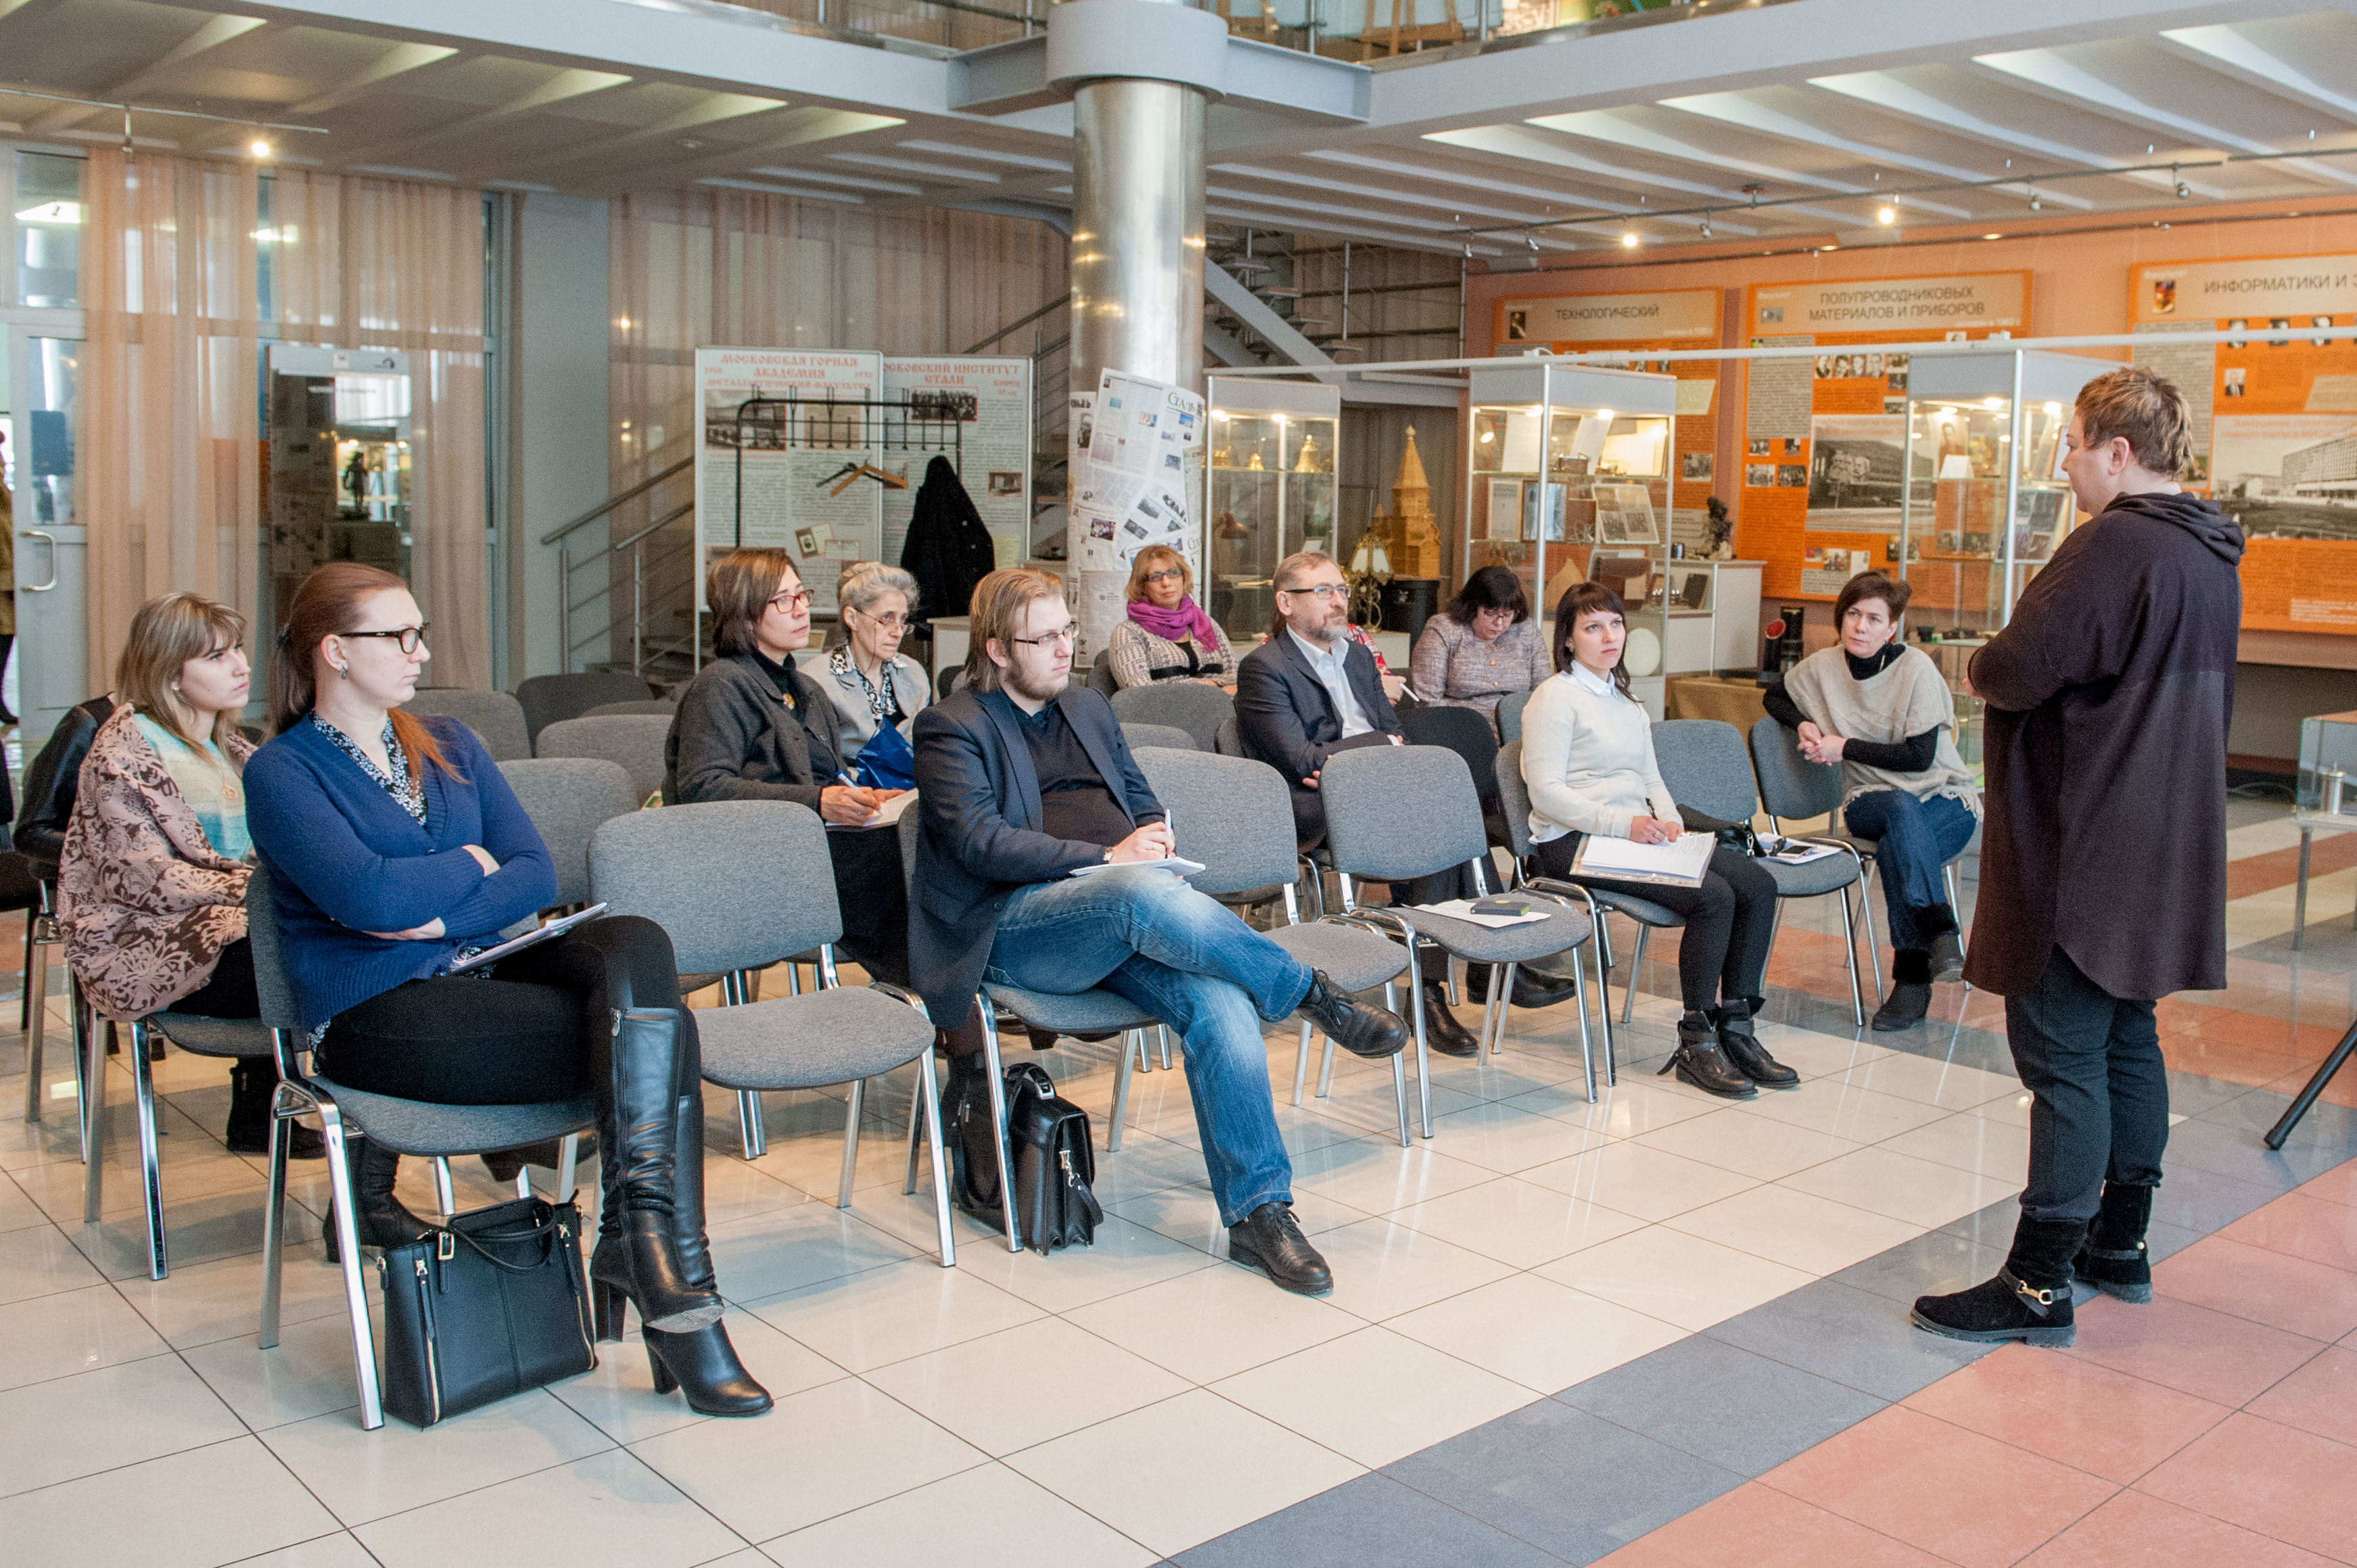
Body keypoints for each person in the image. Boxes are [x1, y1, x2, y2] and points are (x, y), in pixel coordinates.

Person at [246, 562, 769, 1417]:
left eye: (419, 633)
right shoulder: (283, 771)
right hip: (376, 1012)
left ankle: (644, 1248)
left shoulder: (449, 741)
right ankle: (671, 1280)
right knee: (658, 1032)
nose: (421, 652)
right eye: (399, 636)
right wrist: (467, 863)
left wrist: (430, 908)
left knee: (637, 944)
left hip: (488, 966)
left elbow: (531, 871)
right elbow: (368, 900)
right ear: (335, 651)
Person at [910, 568, 1407, 1296]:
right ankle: (1307, 992)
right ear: (996, 648)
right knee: (1137, 893)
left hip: (1117, 914)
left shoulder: (1086, 706)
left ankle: (1259, 1213)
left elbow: (1139, 797)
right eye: (1043, 639)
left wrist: (1152, 836)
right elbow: (977, 842)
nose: (1064, 648)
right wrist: (1108, 859)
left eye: (1066, 631)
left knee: (1221, 1001)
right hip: (1015, 928)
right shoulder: (953, 725)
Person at [1911, 366, 2242, 1349]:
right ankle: (2119, 1242)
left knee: (2060, 1057)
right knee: (2126, 1039)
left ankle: (2037, 1280)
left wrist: (1978, 662)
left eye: (2070, 443)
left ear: (2117, 452)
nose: (2062, 463)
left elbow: (2016, 666)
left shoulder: (2111, 544)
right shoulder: (2209, 551)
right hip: (2158, 839)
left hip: (2085, 840)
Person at [57, 594, 322, 1160]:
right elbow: (147, 879)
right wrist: (266, 892)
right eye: (216, 656)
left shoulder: (234, 749)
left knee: (345, 943)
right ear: (171, 673)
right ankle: (363, 1136)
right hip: (145, 941)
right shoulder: (122, 753)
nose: (241, 666)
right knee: (328, 957)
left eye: (238, 650)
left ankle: (285, 1112)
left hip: (238, 928)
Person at [1520, 581, 1796, 1099]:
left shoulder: (1625, 701)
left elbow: (1650, 778)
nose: (1609, 636)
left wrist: (1670, 823)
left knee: (1757, 884)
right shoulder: (1553, 698)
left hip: (1633, 834)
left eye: (1615, 624)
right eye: (1592, 627)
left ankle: (1736, 1027)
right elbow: (1546, 793)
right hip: (1573, 842)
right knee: (1712, 896)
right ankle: (1696, 1039)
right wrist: (1622, 824)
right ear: (1568, 639)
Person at [1234, 550, 1480, 1055]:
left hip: (1379, 789)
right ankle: (1457, 975)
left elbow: (1394, 734)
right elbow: (1303, 761)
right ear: (1286, 603)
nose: (1338, 601)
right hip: (1313, 805)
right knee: (1432, 822)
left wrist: (1368, 751)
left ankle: (1434, 984)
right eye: (1323, 591)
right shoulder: (1264, 667)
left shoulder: (1359, 657)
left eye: (1341, 590)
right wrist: (1378, 748)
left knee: (1445, 813)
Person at [666, 548, 910, 989]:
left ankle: (944, 993)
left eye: (802, 595)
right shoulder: (720, 686)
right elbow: (704, 788)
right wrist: (819, 802)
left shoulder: (806, 689)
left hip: (818, 849)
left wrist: (864, 797)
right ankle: (935, 997)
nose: (801, 609)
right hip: (759, 863)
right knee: (905, 867)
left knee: (925, 840)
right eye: (783, 600)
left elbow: (830, 778)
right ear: (744, 615)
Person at [1764, 571, 1980, 1031]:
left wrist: (1843, 747)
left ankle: (1912, 978)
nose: (1860, 626)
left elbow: (1919, 758)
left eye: (1874, 619)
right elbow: (1774, 696)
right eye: (1853, 614)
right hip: (1869, 800)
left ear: (1891, 629)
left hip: (1942, 797)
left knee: (1900, 840)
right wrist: (1803, 722)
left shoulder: (1916, 668)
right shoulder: (1822, 667)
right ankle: (1940, 929)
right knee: (1899, 811)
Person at [1409, 564, 1552, 732]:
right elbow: (1428, 703)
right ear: (1472, 606)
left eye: (1507, 615)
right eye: (1490, 613)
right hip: (1459, 730)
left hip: (1519, 730)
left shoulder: (1527, 631)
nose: (1499, 623)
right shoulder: (1445, 629)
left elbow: (1543, 694)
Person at [820, 560, 931, 768]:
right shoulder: (819, 680)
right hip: (849, 785)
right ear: (852, 618)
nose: (897, 632)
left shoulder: (914, 673)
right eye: (886, 618)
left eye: (902, 620)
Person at [1108, 545, 1238, 690]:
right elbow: (1139, 691)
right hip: (1163, 707)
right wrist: (1208, 686)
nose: (1166, 583)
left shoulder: (1205, 623)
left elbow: (1236, 676)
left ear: (1184, 578)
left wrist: (1212, 687)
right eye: (1156, 577)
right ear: (1142, 586)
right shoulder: (1128, 632)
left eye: (1173, 573)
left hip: (1222, 705)